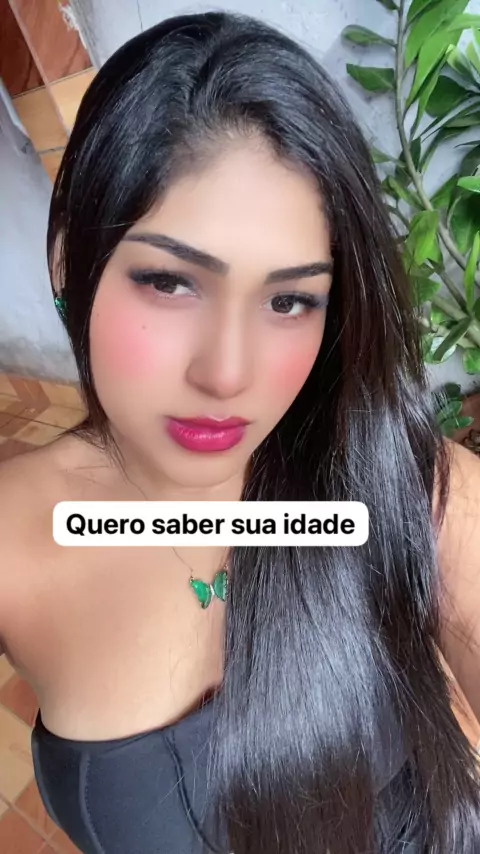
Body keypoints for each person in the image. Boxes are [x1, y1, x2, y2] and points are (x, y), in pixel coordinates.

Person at [0, 10, 479, 854]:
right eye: (171, 283)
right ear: (71, 263)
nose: (227, 374)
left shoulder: (402, 482)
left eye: (289, 300)